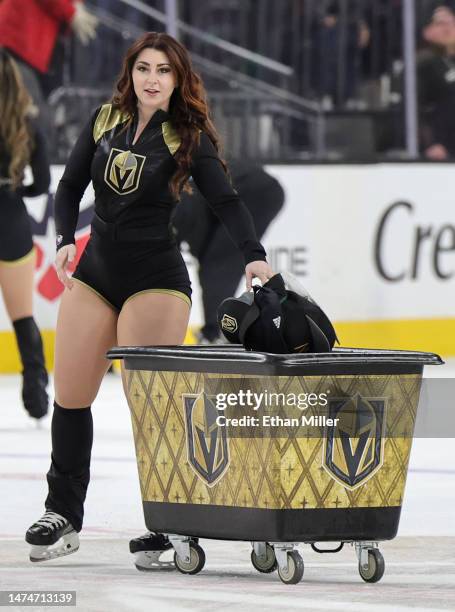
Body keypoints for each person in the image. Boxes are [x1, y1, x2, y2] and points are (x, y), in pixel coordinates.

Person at [25, 31, 274, 563]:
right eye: (144, 69)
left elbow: (226, 201)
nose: (153, 79)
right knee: (70, 397)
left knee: (155, 410)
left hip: (156, 279)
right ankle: (63, 514)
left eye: (164, 70)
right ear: (130, 74)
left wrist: (253, 254)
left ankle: (169, 524)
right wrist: (66, 240)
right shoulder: (102, 121)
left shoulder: (187, 135)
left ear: (178, 78)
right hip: (94, 274)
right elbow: (68, 188)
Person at [173, 161, 285, 344]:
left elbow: (201, 249)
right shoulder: (177, 198)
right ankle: (216, 330)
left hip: (257, 191)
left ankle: (216, 332)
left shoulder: (180, 207)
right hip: (243, 187)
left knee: (216, 262)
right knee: (214, 261)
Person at [0, 50, 51, 419]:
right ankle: (35, 389)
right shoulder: (26, 123)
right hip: (11, 219)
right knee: (22, 316)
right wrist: (16, 190)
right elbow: (43, 184)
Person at [418, 5, 455, 159]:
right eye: (440, 23)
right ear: (427, 31)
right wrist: (430, 143)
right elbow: (414, 108)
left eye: (452, 22)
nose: (448, 27)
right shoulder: (423, 63)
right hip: (440, 148)